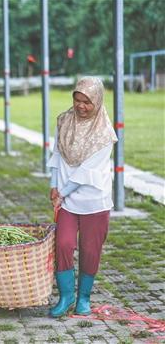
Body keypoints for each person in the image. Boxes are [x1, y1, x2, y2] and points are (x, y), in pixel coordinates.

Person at [47, 77, 118, 317]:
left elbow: (86, 172)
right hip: (67, 201)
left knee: (90, 250)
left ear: (97, 101)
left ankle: (83, 299)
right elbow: (57, 154)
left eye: (87, 102)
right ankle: (65, 296)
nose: (81, 106)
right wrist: (54, 185)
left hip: (94, 201)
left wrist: (62, 192)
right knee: (63, 244)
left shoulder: (104, 133)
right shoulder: (64, 121)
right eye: (77, 100)